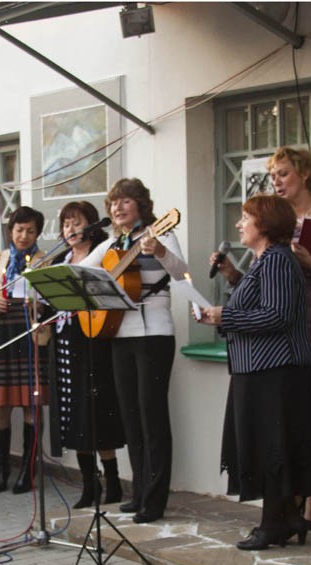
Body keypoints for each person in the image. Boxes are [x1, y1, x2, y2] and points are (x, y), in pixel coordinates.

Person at [214, 146, 311, 529]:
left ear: (305, 174)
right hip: (278, 335)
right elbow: (260, 291)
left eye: (283, 174)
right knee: (290, 415)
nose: (276, 181)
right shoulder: (272, 223)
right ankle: (290, 499)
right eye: (272, 175)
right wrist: (231, 276)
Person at [200, 194, 311, 550]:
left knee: (273, 450)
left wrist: (225, 316)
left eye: (245, 218)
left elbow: (277, 315)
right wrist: (232, 278)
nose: (239, 224)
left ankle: (272, 525)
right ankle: (286, 518)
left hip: (276, 371)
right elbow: (260, 303)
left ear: (264, 224)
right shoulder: (264, 261)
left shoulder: (279, 261)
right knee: (268, 447)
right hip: (259, 368)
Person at [80, 178, 187, 524]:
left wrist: (159, 252)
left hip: (154, 332)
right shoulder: (113, 243)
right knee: (130, 416)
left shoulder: (160, 233)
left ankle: (155, 499)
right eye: (114, 202)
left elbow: (182, 273)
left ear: (141, 205)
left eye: (126, 201)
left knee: (151, 415)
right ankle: (139, 491)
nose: (118, 207)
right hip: (119, 332)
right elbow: (83, 271)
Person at [50, 201, 126, 509]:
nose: (70, 229)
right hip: (66, 341)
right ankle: (89, 486)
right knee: (75, 414)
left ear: (92, 226)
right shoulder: (59, 259)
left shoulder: (105, 254)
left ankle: (115, 483)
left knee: (97, 412)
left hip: (94, 340)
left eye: (76, 222)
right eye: (66, 223)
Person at [0, 206, 51, 495]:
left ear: (37, 233)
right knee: (0, 406)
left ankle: (28, 470)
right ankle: (1, 468)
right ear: (11, 230)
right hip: (3, 335)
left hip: (31, 335)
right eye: (19, 230)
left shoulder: (46, 260)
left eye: (30, 231)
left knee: (30, 406)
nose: (24, 236)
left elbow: (53, 297)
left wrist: (41, 305)